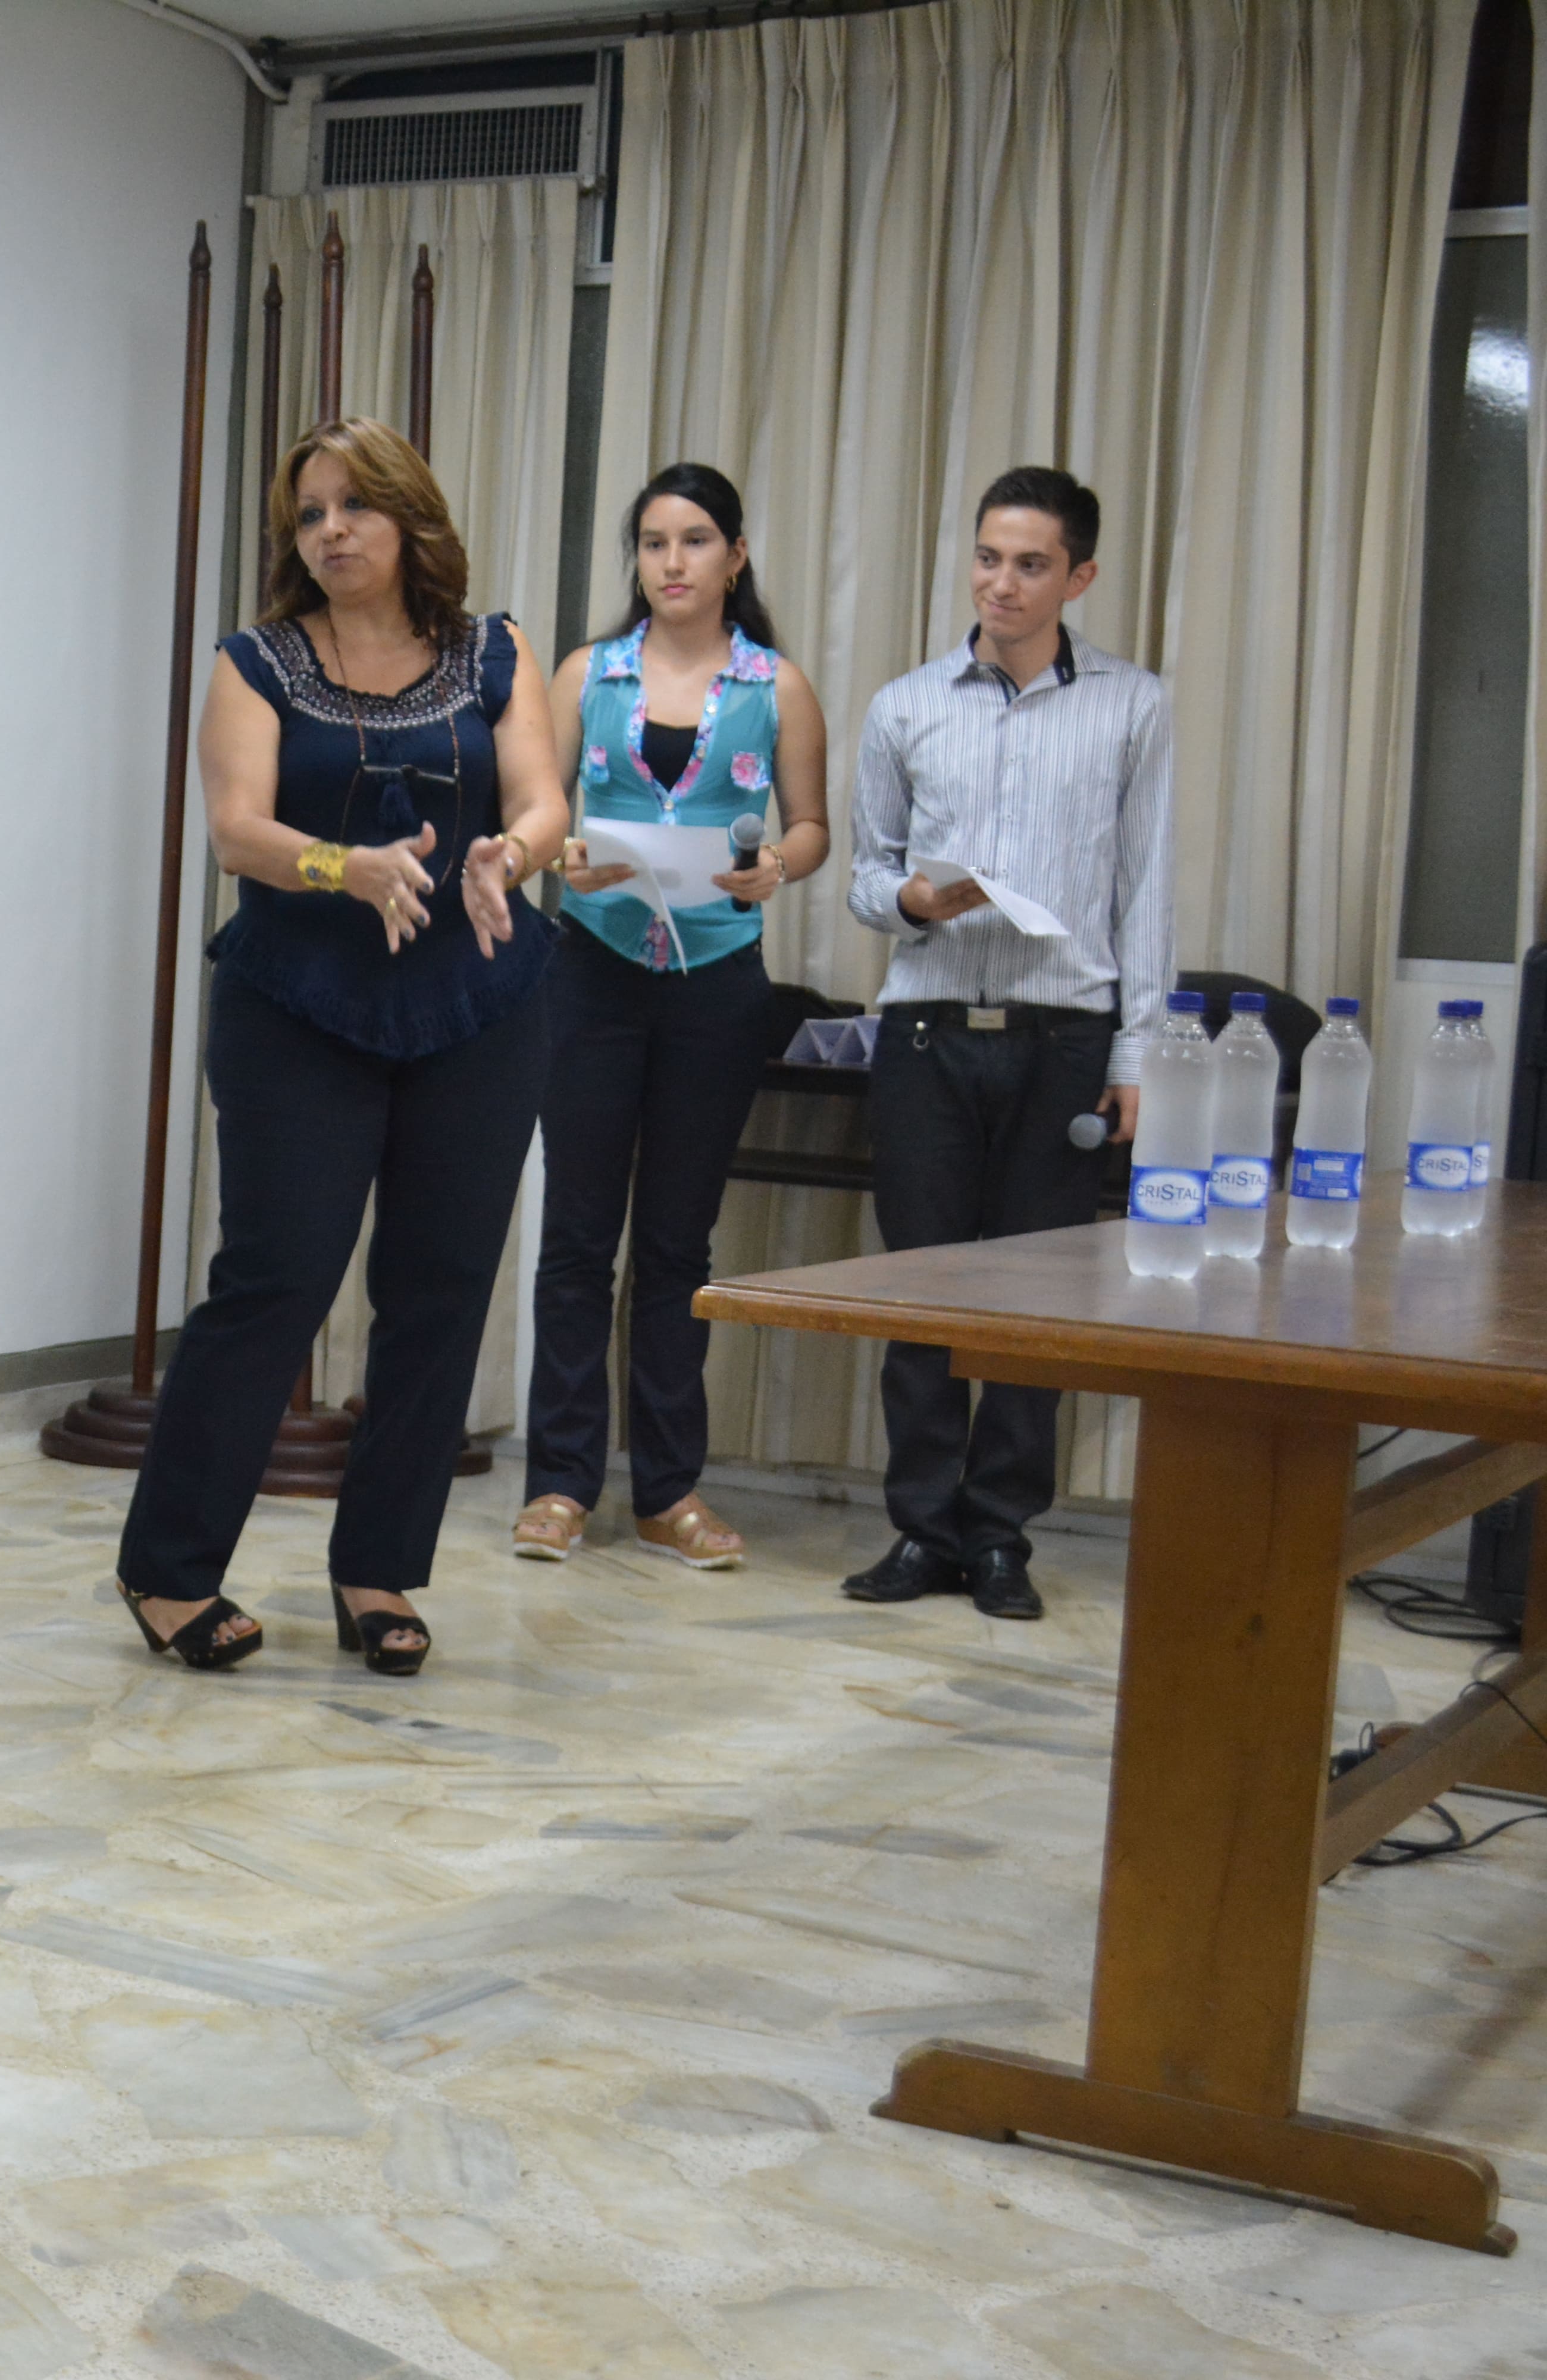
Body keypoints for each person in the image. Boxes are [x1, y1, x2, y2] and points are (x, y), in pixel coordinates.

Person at [111, 418, 570, 1678]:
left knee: (441, 1287)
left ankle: (379, 1567)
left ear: (410, 518)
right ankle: (168, 1566)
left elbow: (542, 798)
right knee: (278, 1277)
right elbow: (236, 830)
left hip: (478, 1002)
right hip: (299, 1005)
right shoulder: (255, 662)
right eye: (309, 514)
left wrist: (510, 853)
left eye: (354, 506)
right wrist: (344, 867)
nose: (330, 532)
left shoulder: (493, 651)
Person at [842, 465, 1173, 1623]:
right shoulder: (906, 705)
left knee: (1037, 1301)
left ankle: (999, 1538)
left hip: (1064, 1036)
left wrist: (1137, 1056)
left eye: (1032, 564)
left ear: (1079, 576)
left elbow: (1148, 891)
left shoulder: (1133, 706)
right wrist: (910, 902)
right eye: (989, 557)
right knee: (920, 1289)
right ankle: (922, 1529)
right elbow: (866, 873)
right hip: (928, 1029)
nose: (1003, 583)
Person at [518, 464, 831, 1570]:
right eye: (653, 543)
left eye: (695, 540)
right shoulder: (588, 674)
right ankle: (560, 1483)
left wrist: (777, 867)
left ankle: (668, 1491)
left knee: (676, 1243)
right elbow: (538, 812)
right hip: (591, 971)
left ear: (735, 557)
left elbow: (811, 827)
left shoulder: (775, 685)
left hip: (717, 980)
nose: (673, 562)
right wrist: (561, 857)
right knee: (576, 1237)